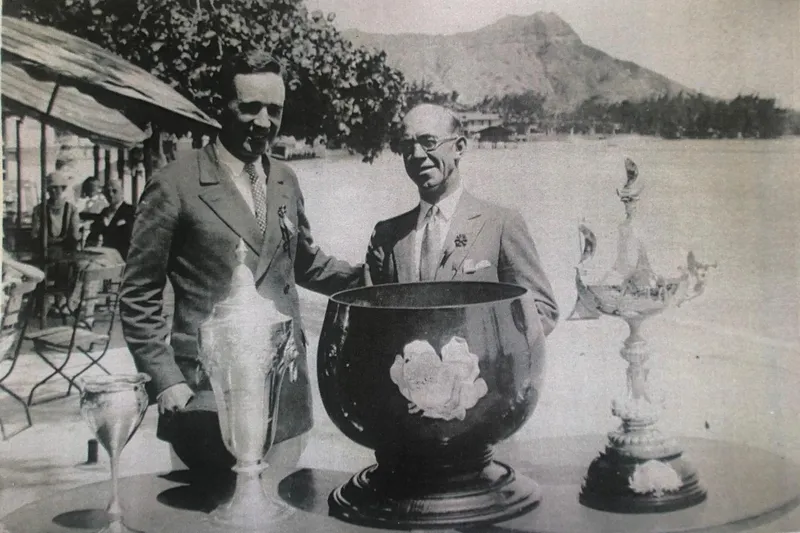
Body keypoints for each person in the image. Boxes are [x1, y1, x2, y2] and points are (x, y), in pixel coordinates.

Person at [119, 50, 363, 477]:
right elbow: (138, 295)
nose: (264, 122)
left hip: (286, 397)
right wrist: (166, 379)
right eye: (249, 107)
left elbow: (303, 264)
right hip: (208, 398)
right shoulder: (175, 183)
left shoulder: (285, 178)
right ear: (220, 107)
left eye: (274, 109)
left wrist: (374, 275)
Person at [365, 104, 559, 336]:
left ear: (459, 147)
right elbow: (372, 318)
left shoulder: (500, 223)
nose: (416, 154)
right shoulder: (387, 235)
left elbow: (542, 311)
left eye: (428, 142)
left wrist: (480, 352)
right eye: (407, 145)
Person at [31, 171, 82, 260]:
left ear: (63, 188)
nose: (53, 190)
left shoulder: (72, 209)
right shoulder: (39, 209)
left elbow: (75, 235)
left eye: (56, 187)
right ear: (47, 189)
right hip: (45, 252)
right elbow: (35, 234)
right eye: (51, 188)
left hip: (67, 253)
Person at [86, 179, 135, 259]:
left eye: (114, 191)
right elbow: (93, 235)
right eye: (107, 192)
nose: (111, 194)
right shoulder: (104, 212)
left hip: (122, 259)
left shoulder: (130, 211)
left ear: (122, 192)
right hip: (104, 258)